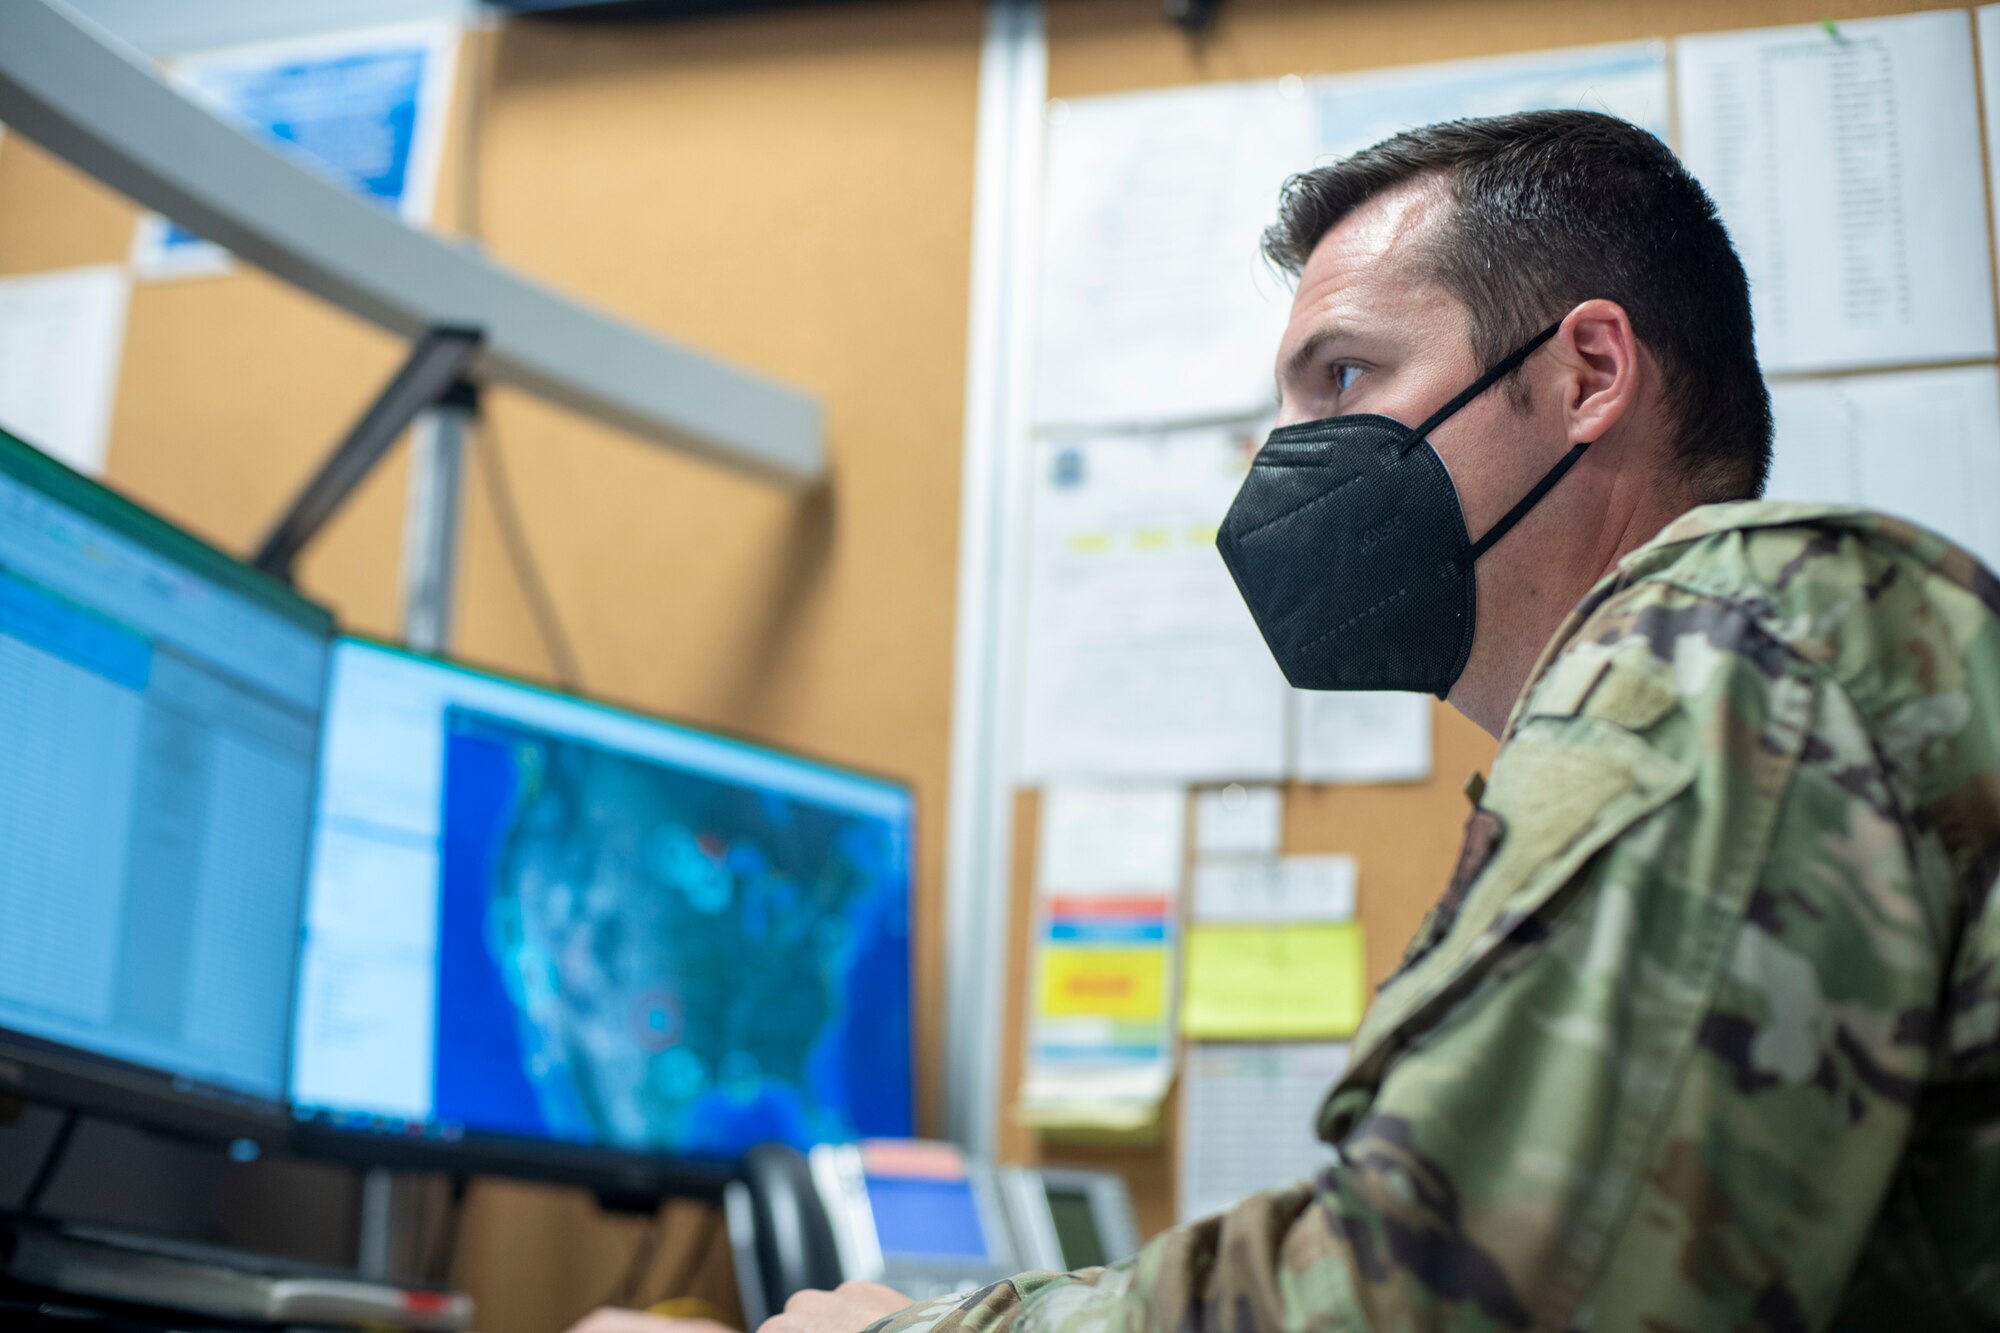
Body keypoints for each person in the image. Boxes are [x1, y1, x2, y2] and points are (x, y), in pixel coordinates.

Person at [585, 109, 2000, 1333]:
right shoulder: (1700, 689)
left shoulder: (1739, 632)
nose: (1287, 460)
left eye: (1342, 379)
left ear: (1587, 375)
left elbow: (1432, 1294)